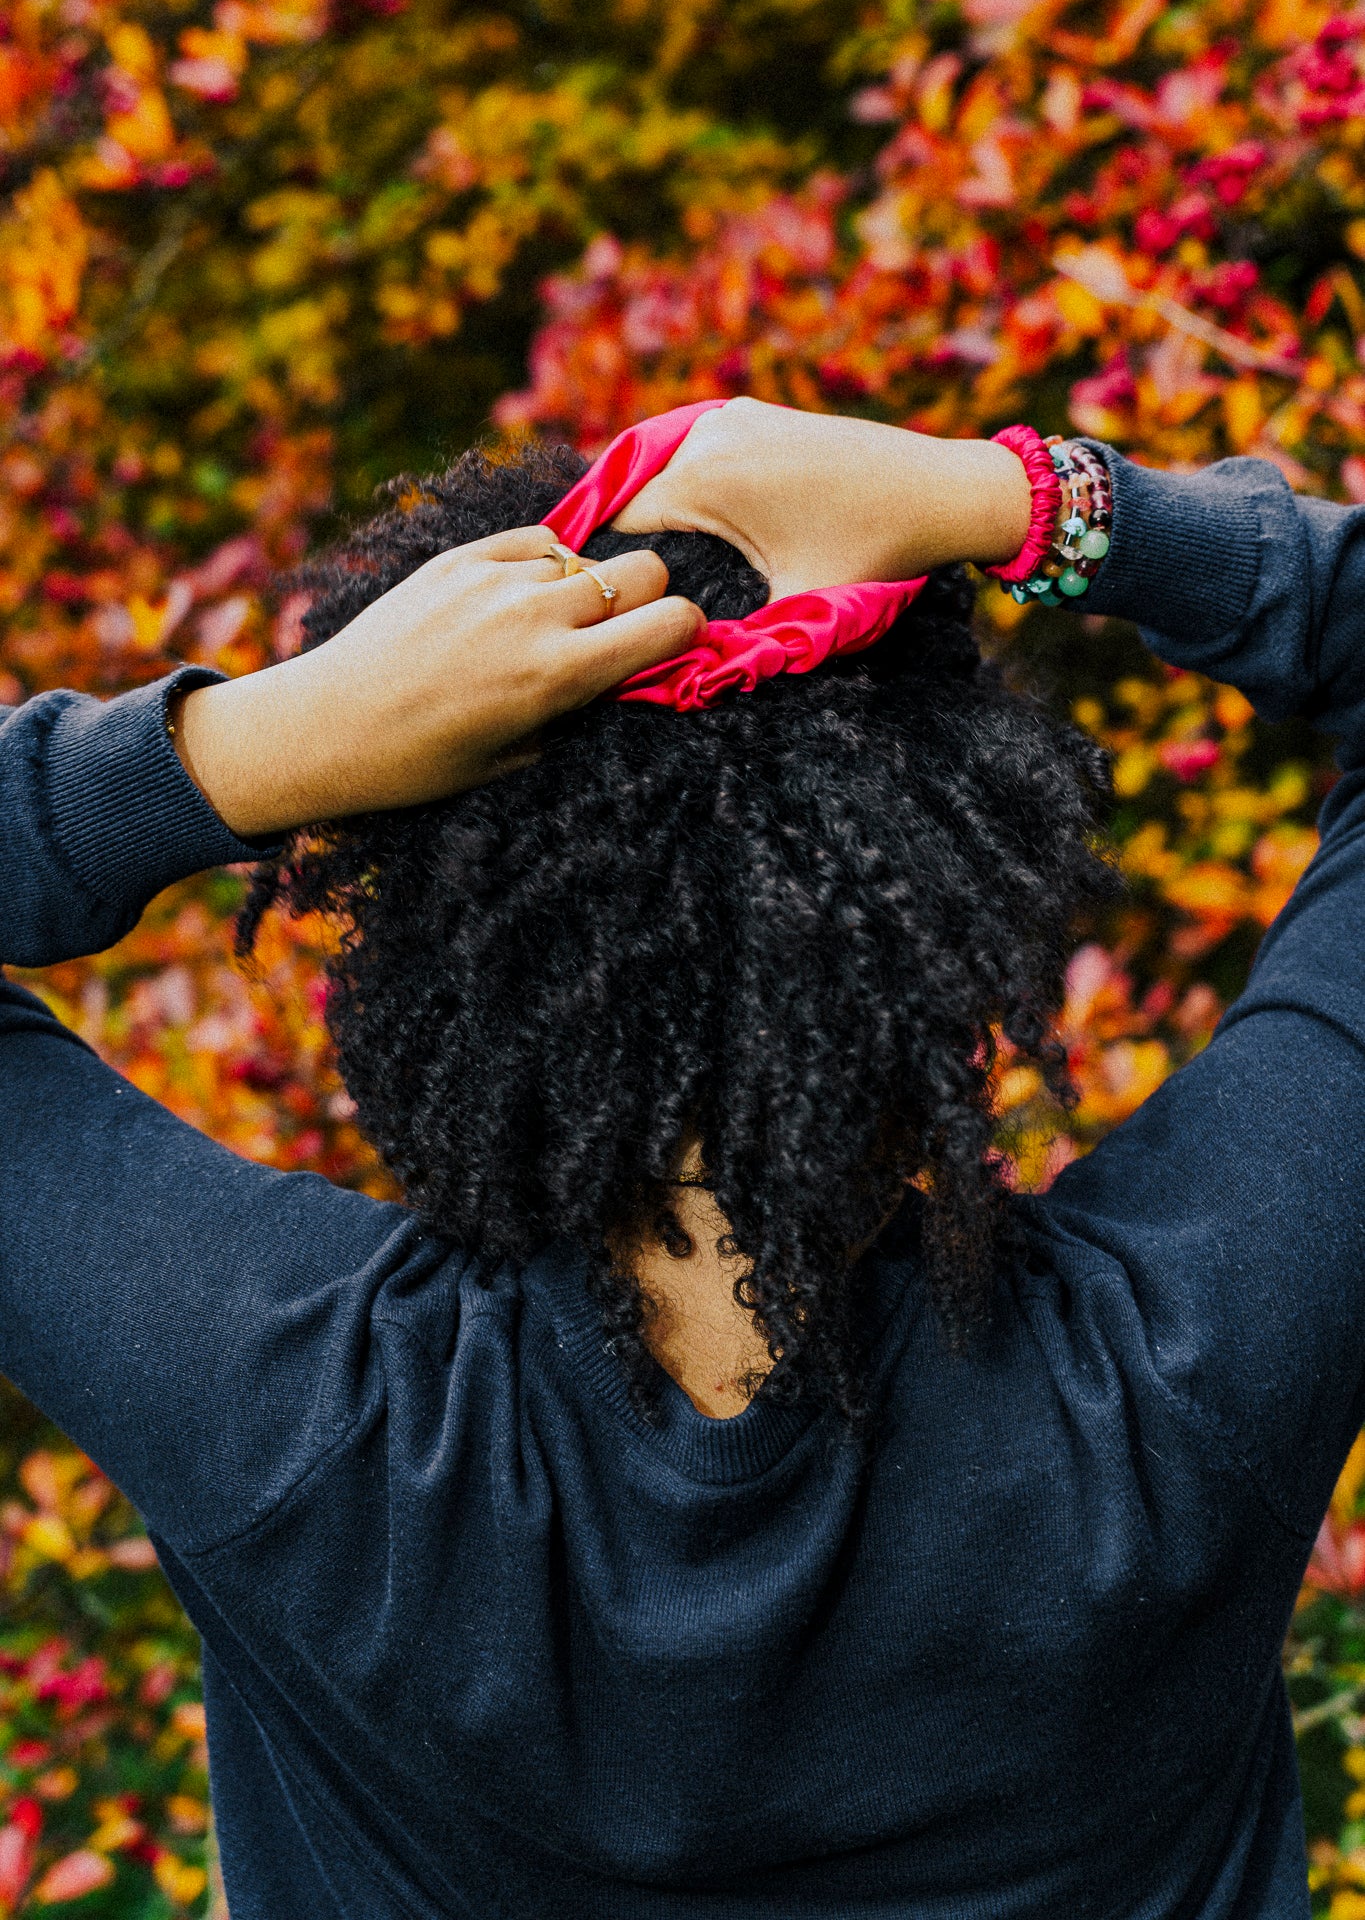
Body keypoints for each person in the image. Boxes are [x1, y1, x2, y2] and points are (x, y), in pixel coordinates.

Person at [0, 394, 1358, 1918]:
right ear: (953, 907)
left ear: (430, 941)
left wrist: (258, 746)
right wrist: (1016, 496)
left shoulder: (286, 1412)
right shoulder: (1185, 1368)